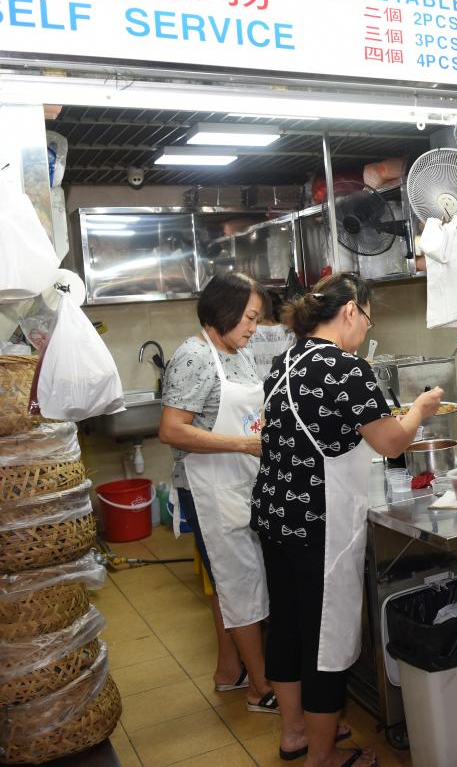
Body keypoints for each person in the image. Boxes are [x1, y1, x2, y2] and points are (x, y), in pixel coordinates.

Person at [254, 272, 443, 767]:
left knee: (290, 628)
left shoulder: (286, 360)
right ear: (352, 310)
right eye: (368, 316)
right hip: (319, 522)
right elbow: (390, 442)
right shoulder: (344, 367)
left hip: (277, 515)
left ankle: (296, 732)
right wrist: (420, 409)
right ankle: (321, 756)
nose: (366, 327)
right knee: (324, 639)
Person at [158, 272, 277, 713]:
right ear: (223, 312)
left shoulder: (238, 354)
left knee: (229, 581)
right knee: (241, 583)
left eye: (257, 318)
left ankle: (231, 670)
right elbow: (172, 430)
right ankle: (261, 688)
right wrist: (245, 444)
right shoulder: (194, 356)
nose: (252, 327)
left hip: (240, 482)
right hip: (210, 490)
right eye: (248, 318)